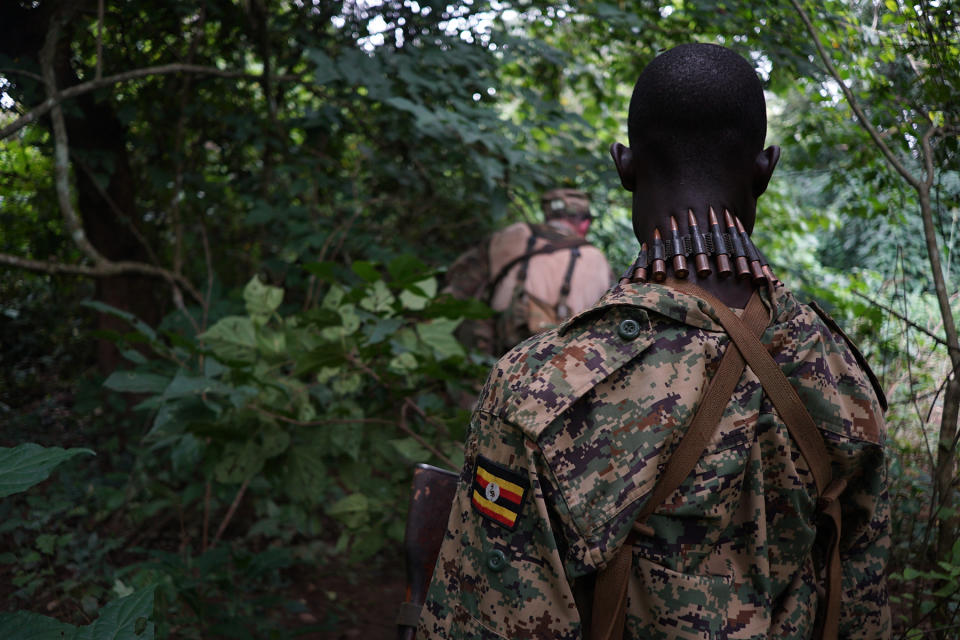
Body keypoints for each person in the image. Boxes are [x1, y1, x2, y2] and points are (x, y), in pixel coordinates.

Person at [418, 43, 890, 639]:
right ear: (764, 169)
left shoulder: (540, 390)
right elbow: (864, 611)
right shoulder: (841, 372)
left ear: (625, 167)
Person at [443, 188, 612, 357]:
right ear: (585, 224)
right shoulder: (599, 261)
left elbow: (459, 288)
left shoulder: (511, 235)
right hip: (563, 364)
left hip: (497, 354)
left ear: (547, 215)